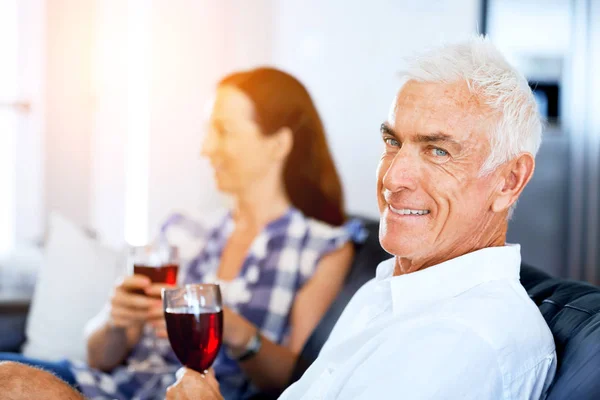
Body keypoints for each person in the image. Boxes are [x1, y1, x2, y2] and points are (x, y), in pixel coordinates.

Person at [166, 36, 558, 399]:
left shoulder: (464, 340)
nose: (392, 178)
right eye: (393, 142)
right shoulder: (392, 287)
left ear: (509, 180)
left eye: (438, 151)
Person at [0, 67, 361, 400]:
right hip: (106, 387)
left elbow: (295, 378)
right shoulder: (181, 229)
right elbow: (99, 358)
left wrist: (233, 329)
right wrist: (116, 319)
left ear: (278, 144)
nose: (206, 148)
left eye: (224, 131)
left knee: (13, 383)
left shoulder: (322, 247)